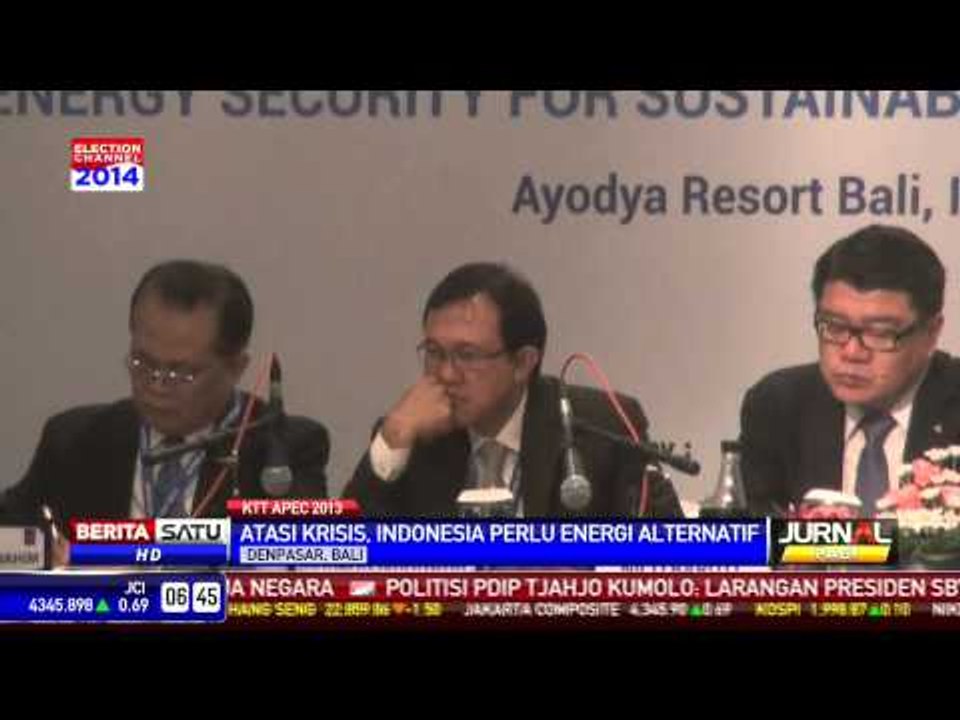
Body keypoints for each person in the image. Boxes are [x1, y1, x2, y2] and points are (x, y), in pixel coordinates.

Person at [1, 259, 329, 532]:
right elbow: (11, 537)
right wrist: (46, 558)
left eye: (181, 373)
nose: (156, 385)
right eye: (142, 363)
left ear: (235, 367)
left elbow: (300, 560)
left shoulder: (283, 451)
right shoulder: (74, 439)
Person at [343, 261, 681, 517]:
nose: (445, 373)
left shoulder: (600, 428)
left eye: (467, 355)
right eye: (434, 352)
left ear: (523, 362)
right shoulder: (411, 436)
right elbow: (339, 555)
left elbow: (671, 558)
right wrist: (393, 438)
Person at [739, 224, 960, 516]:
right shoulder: (779, 406)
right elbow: (755, 533)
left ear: (931, 333)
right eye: (834, 327)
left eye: (880, 333)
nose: (852, 352)